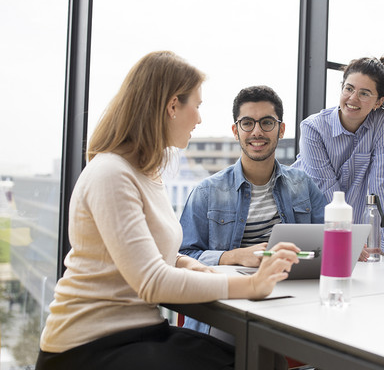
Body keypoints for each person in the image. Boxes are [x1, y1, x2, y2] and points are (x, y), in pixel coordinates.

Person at [36, 51, 300, 370]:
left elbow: (144, 253)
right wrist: (252, 285)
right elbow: (151, 281)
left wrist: (185, 262)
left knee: (267, 363)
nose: (200, 118)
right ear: (173, 106)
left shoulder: (146, 173)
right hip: (88, 346)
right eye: (197, 106)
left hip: (140, 333)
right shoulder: (111, 173)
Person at [179, 85, 327, 333]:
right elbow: (182, 256)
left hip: (295, 301)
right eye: (248, 123)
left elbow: (327, 242)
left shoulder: (303, 185)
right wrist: (233, 256)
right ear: (236, 131)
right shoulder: (207, 192)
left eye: (267, 122)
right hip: (230, 305)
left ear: (281, 130)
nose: (257, 132)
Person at [292, 56, 384, 256]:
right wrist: (347, 239)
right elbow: (325, 189)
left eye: (364, 93)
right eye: (349, 88)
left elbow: (383, 183)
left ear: (378, 102)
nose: (353, 98)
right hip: (307, 220)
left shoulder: (381, 123)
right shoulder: (313, 128)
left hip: (349, 231)